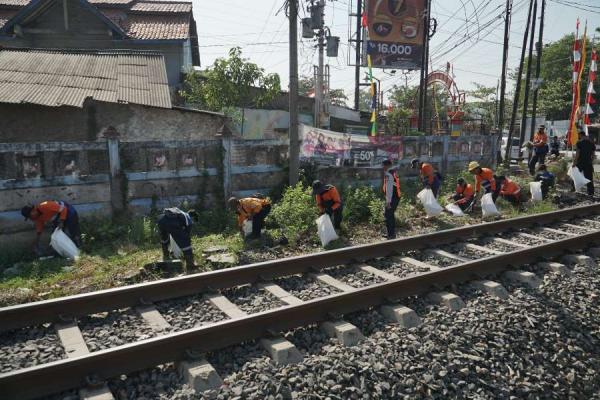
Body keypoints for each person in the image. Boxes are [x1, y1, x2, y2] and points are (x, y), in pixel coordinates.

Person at [382, 159, 401, 239]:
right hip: (396, 197)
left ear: (387, 166)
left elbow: (389, 189)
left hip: (392, 198)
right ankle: (391, 234)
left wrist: (388, 202)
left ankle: (391, 235)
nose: (383, 167)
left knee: (388, 215)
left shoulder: (389, 174)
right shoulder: (392, 172)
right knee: (390, 215)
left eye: (384, 165)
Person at [573, 130, 595, 195]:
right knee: (589, 178)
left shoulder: (579, 143)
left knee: (575, 175)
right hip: (588, 162)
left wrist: (574, 163)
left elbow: (577, 154)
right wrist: (591, 161)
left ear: (580, 135)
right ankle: (590, 192)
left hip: (580, 162)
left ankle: (573, 189)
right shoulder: (591, 143)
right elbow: (593, 154)